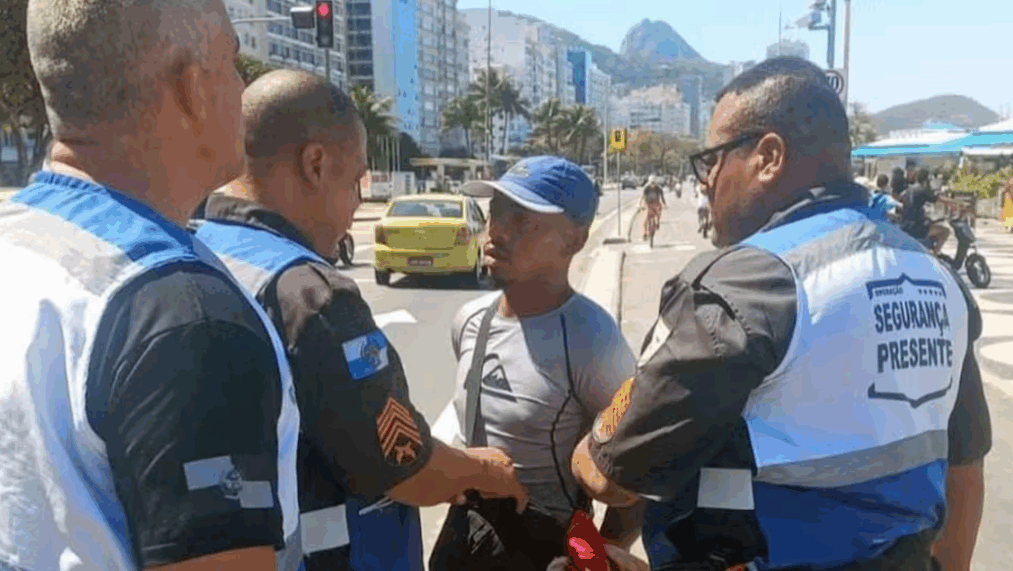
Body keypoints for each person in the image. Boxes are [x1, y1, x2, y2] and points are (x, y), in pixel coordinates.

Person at [572, 56, 991, 571]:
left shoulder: (747, 284)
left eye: (712, 161)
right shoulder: (936, 276)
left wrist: (597, 443)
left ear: (768, 156)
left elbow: (608, 473)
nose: (705, 183)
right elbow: (966, 468)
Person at [1, 1, 304, 570]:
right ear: (192, 88)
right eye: (233, 62)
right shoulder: (189, 322)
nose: (245, 87)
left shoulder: (17, 242)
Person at [191, 70, 528, 571]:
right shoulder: (312, 296)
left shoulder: (192, 245)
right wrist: (483, 469)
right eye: (355, 182)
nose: (357, 206)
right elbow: (404, 465)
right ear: (315, 164)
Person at [430, 156, 647, 571]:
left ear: (575, 241)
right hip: (466, 535)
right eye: (495, 212)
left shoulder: (592, 340)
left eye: (523, 219)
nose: (497, 230)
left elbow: (634, 473)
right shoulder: (469, 322)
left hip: (551, 546)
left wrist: (601, 554)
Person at [900, 167, 957, 253]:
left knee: (931, 224)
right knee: (945, 231)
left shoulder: (909, 189)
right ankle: (935, 255)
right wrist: (956, 203)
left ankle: (929, 249)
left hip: (905, 225)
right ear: (927, 180)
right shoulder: (922, 190)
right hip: (916, 228)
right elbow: (939, 199)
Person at [640, 175, 667, 240]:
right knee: (645, 217)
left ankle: (657, 222)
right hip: (647, 203)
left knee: (659, 211)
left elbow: (662, 198)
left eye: (654, 183)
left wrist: (665, 204)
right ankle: (644, 233)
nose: (652, 184)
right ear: (649, 182)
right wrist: (640, 205)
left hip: (656, 203)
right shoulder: (646, 188)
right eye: (651, 183)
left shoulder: (659, 188)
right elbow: (642, 197)